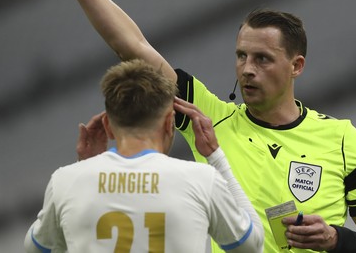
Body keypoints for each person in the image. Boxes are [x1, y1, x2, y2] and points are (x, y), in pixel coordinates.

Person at [36, 0, 356, 253]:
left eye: (262, 59)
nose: (247, 69)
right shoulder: (209, 120)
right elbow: (132, 46)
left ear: (297, 66)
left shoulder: (341, 139)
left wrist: (337, 239)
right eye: (241, 55)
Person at [24, 59, 264, 253]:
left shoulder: (66, 182)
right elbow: (252, 245)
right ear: (170, 123)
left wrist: (85, 166)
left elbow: (36, 248)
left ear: (107, 125)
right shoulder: (202, 180)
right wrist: (216, 156)